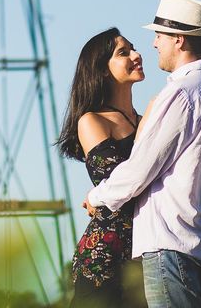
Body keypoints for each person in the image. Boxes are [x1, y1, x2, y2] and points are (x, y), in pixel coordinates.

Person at [84, 0, 201, 308]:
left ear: (178, 40)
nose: (153, 44)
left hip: (172, 243)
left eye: (159, 35)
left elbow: (142, 167)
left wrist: (97, 197)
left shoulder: (180, 95)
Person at [56, 28, 147, 307]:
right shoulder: (92, 121)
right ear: (103, 70)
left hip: (146, 253)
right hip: (105, 254)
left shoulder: (148, 119)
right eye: (124, 53)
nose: (136, 54)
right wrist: (98, 195)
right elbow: (120, 183)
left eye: (133, 48)